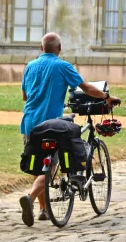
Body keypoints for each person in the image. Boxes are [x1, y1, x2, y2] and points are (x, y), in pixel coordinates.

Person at [19, 32, 119, 227]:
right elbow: (86, 88)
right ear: (59, 48)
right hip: (52, 125)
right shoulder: (63, 66)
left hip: (30, 123)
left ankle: (43, 210)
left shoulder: (30, 66)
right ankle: (30, 198)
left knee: (39, 165)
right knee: (51, 168)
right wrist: (106, 97)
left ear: (41, 49)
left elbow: (25, 95)